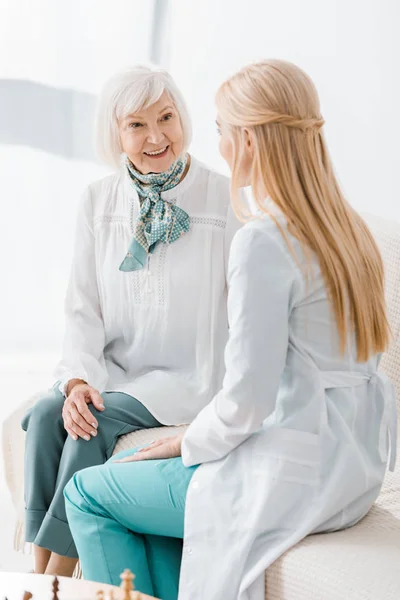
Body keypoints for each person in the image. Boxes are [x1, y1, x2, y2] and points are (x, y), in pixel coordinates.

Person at [64, 59, 397, 600]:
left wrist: (186, 440)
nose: (214, 145)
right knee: (131, 473)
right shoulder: (347, 229)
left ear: (247, 141)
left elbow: (246, 400)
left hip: (290, 479)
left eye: (220, 130)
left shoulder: (265, 241)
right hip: (351, 473)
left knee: (86, 493)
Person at [21, 65, 240, 578]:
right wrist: (76, 380)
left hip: (188, 377)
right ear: (115, 133)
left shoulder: (224, 199)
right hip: (118, 371)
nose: (156, 136)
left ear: (182, 117)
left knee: (94, 419)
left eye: (166, 117)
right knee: (51, 408)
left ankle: (54, 579)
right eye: (136, 125)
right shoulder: (98, 200)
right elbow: (83, 307)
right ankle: (36, 569)